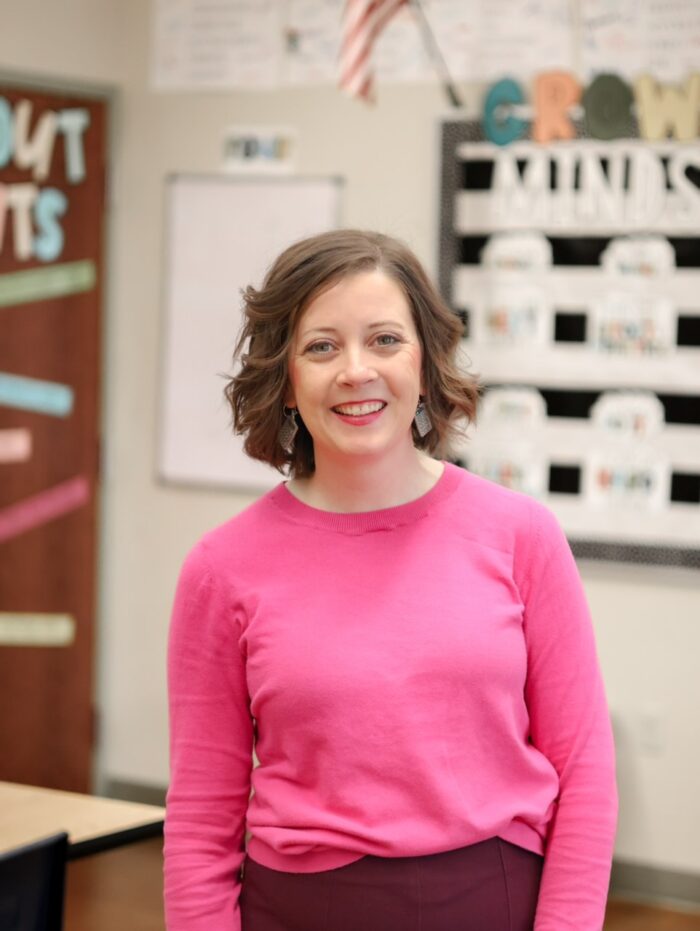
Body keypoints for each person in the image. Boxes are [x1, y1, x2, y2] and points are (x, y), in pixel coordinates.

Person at [163, 229, 618, 931]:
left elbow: (585, 775)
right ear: (285, 378)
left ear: (426, 361)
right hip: (298, 910)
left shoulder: (522, 535)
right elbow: (200, 816)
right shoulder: (221, 568)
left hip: (491, 900)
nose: (355, 370)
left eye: (384, 340)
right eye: (321, 346)